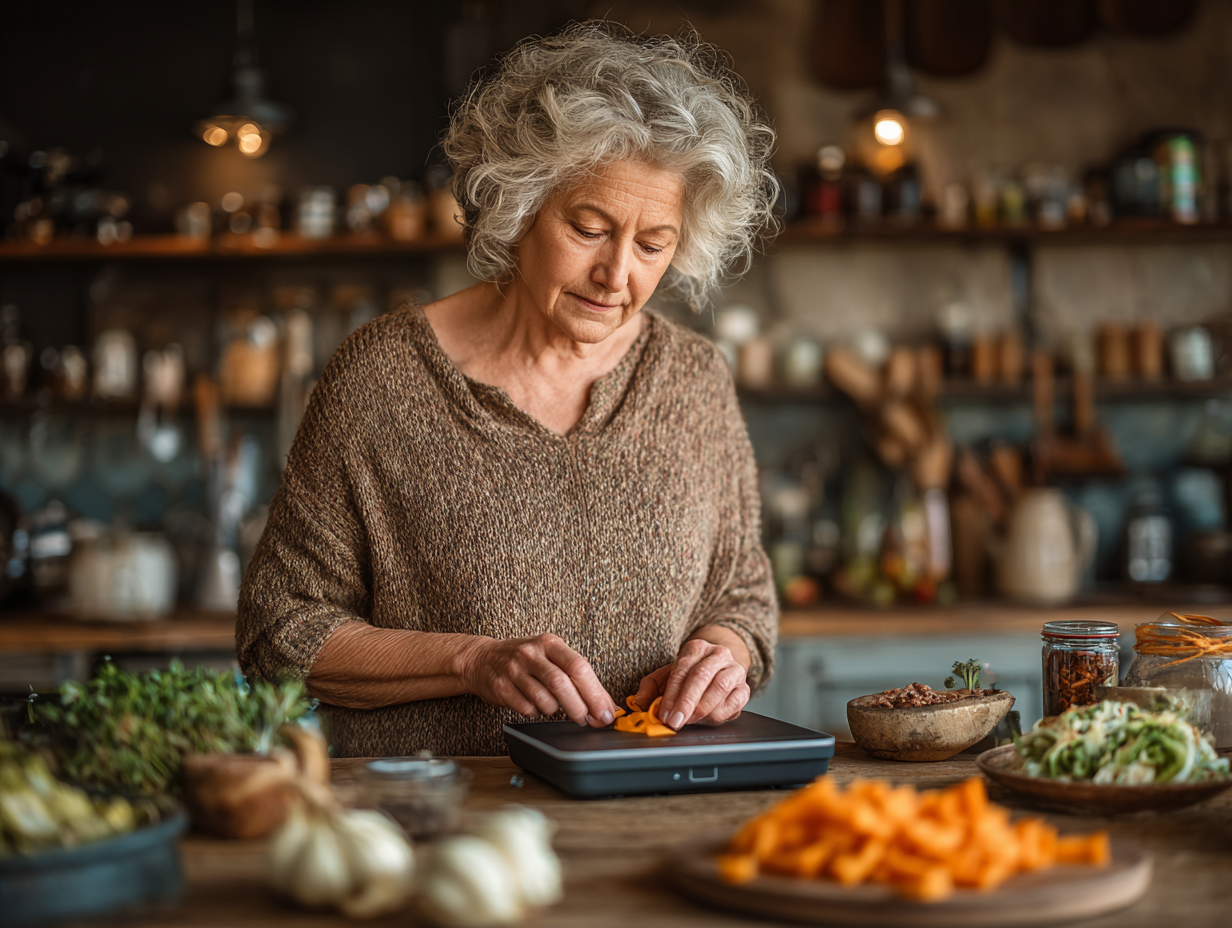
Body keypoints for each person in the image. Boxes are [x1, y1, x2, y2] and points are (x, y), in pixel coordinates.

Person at [237, 22, 781, 756]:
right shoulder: (382, 378)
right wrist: (473, 661)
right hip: (433, 820)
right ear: (519, 208)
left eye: (653, 244)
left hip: (651, 814)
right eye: (588, 229)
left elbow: (742, 597)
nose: (618, 275)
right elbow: (282, 630)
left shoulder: (694, 380)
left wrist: (724, 655)